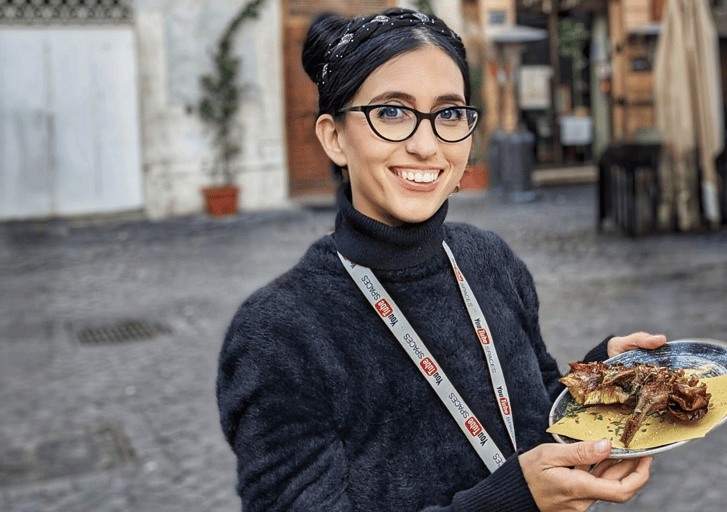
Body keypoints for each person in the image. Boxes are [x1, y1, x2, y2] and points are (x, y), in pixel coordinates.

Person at [216, 8, 667, 511]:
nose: (426, 145)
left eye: (449, 113)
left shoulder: (489, 259)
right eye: (391, 112)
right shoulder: (278, 331)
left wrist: (602, 379)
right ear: (335, 137)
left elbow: (532, 410)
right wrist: (511, 501)